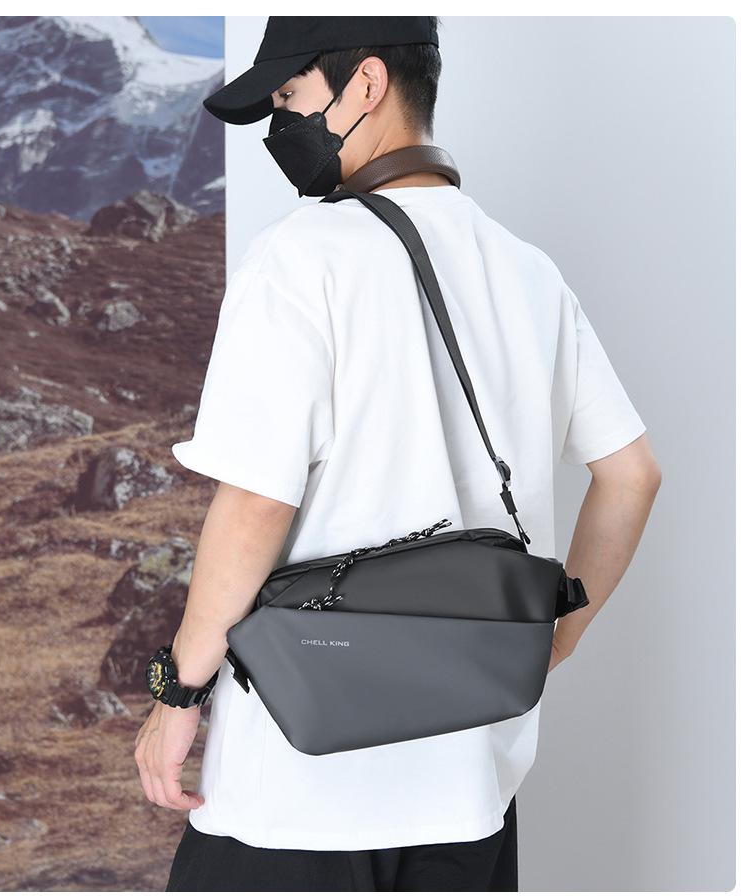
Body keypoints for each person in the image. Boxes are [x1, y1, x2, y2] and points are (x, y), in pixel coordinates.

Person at [134, 17, 662, 892]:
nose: (281, 126)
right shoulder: (528, 270)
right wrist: (552, 640)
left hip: (298, 790)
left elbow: (256, 504)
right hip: (470, 791)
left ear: (368, 84)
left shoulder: (300, 258)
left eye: (290, 97)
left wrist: (180, 694)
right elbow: (632, 474)